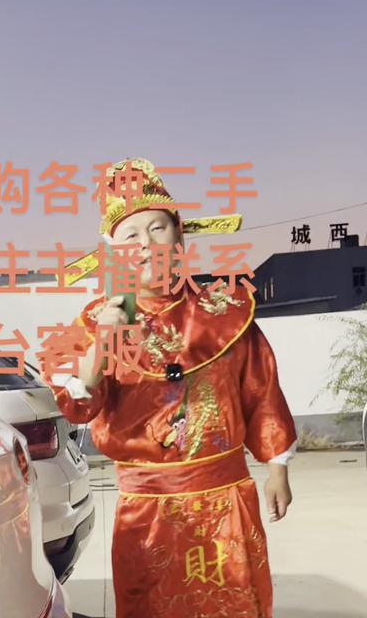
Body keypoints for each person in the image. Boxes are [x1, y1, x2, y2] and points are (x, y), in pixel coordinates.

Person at [40, 158, 297, 618]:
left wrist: (277, 467)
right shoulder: (92, 324)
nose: (145, 244)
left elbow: (261, 390)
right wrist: (103, 342)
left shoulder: (226, 312)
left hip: (226, 498)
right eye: (130, 235)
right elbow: (79, 406)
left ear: (180, 238)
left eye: (157, 228)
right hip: (148, 512)